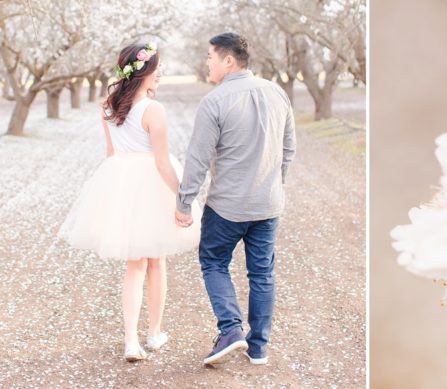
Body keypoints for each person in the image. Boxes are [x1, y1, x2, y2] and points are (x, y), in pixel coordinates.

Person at [59, 43, 202, 362]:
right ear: (144, 73)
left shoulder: (109, 104)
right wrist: (183, 200)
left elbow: (111, 153)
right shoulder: (154, 110)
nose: (160, 74)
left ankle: (130, 341)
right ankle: (153, 334)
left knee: (134, 265)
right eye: (157, 69)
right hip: (152, 184)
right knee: (156, 261)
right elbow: (163, 163)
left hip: (121, 182)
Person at [174, 32, 296, 366]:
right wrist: (275, 185)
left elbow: (197, 159)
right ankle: (258, 348)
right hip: (268, 205)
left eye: (210, 57)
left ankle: (231, 330)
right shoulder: (277, 93)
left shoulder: (215, 101)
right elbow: (288, 148)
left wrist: (184, 203)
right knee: (262, 274)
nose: (207, 63)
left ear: (229, 60)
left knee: (213, 261)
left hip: (227, 207)